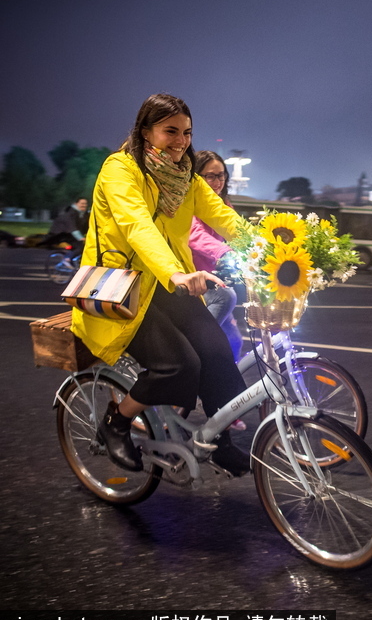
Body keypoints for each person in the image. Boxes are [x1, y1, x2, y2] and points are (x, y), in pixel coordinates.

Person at [71, 93, 250, 476]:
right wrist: (176, 273)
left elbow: (225, 218)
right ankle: (116, 422)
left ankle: (220, 441)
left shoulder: (186, 176)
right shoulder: (120, 169)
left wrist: (278, 247)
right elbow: (138, 226)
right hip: (121, 287)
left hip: (167, 284)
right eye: (171, 131)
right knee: (178, 365)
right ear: (145, 131)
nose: (181, 141)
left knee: (216, 350)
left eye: (186, 132)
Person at [189, 150, 242, 361]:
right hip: (191, 279)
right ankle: (187, 351)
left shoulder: (224, 204)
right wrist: (224, 252)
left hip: (212, 276)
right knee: (225, 296)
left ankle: (225, 392)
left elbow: (238, 231)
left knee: (234, 341)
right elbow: (193, 233)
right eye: (209, 176)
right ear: (196, 176)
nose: (217, 181)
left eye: (221, 175)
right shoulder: (189, 201)